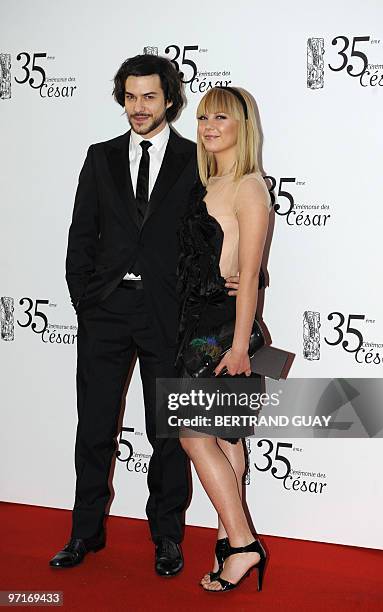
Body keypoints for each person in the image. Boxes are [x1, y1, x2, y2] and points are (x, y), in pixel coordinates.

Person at [49, 54, 240, 576]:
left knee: (167, 434)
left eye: (149, 96)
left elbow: (211, 233)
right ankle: (84, 533)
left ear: (170, 100)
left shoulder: (193, 160)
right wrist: (84, 300)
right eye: (131, 96)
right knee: (93, 427)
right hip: (106, 311)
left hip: (168, 314)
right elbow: (80, 235)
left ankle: (167, 539)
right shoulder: (100, 156)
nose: (138, 106)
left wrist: (232, 276)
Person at [175, 86, 274, 592]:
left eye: (221, 117)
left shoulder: (250, 188)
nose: (209, 125)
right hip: (194, 323)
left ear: (242, 126)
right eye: (203, 117)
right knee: (225, 436)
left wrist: (239, 346)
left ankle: (243, 545)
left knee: (194, 435)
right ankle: (228, 539)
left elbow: (252, 275)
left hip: (221, 332)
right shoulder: (206, 182)